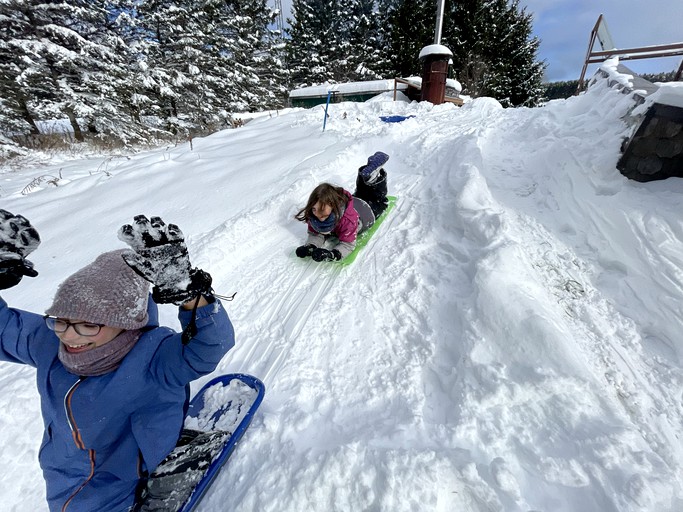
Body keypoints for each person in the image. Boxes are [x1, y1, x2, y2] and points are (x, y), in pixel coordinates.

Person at [0, 210, 234, 512]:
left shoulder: (153, 355)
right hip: (67, 467)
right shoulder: (50, 342)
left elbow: (211, 344)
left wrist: (186, 290)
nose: (70, 335)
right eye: (62, 320)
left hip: (114, 476)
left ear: (127, 322)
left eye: (89, 324)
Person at [295, 151, 390, 262]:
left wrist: (332, 254)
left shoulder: (347, 221)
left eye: (322, 210)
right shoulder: (314, 216)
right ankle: (366, 176)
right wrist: (311, 247)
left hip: (367, 212)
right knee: (360, 192)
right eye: (314, 209)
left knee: (378, 199)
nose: (318, 214)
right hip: (355, 201)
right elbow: (316, 233)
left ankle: (373, 176)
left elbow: (348, 244)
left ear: (334, 206)